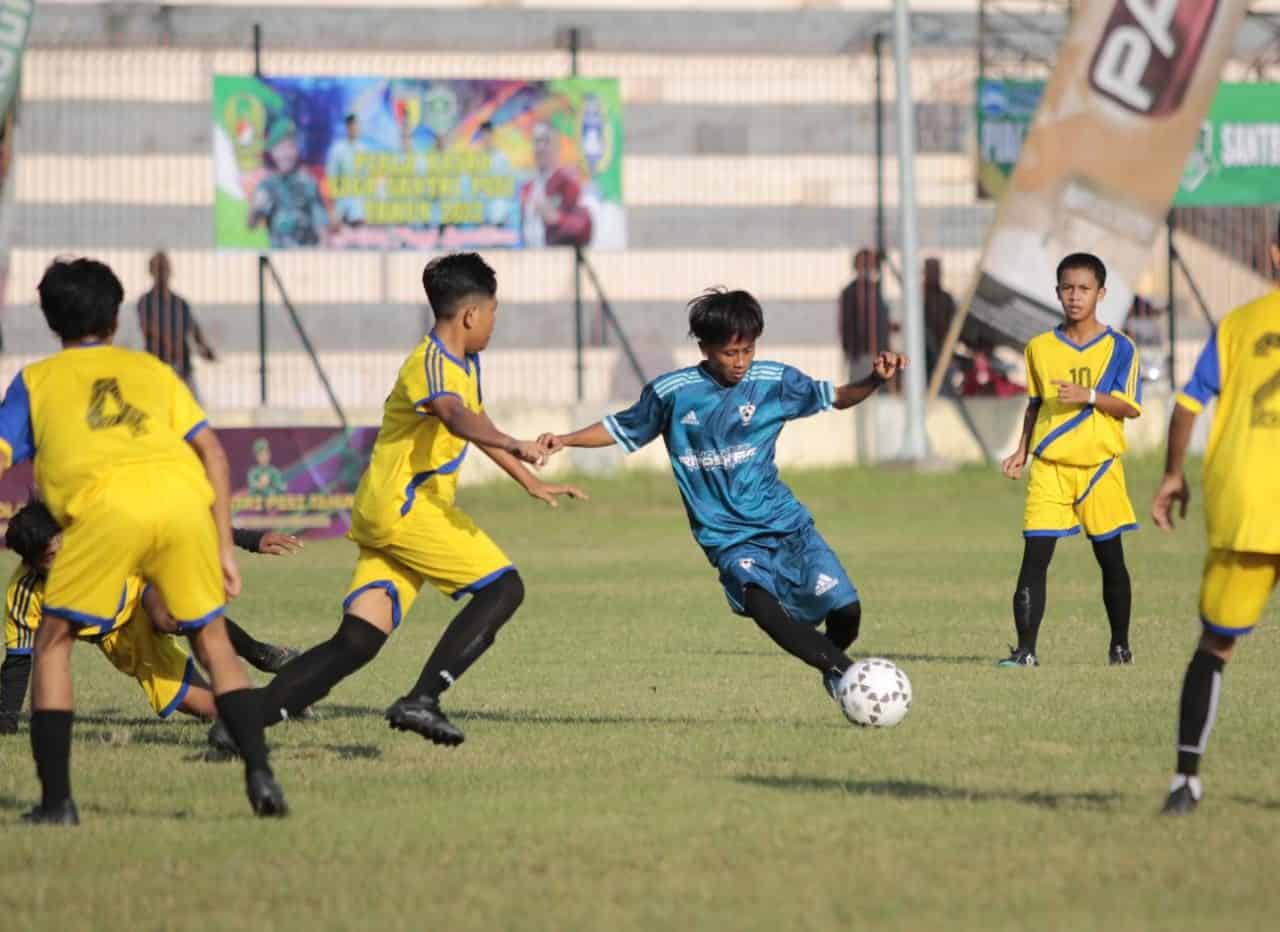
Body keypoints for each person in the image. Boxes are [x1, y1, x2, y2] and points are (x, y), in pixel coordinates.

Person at [243, 253, 584, 749]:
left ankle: (244, 722)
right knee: (503, 589)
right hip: (405, 508)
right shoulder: (428, 365)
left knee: (356, 642)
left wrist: (525, 479)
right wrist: (515, 443)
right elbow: (453, 415)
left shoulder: (465, 362)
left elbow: (475, 422)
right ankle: (422, 699)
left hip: (391, 510)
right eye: (493, 312)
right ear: (471, 315)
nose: (494, 323)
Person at [0, 257, 286, 824]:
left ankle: (57, 803)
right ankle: (260, 772)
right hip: (182, 504)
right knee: (214, 641)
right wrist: (225, 545)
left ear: (52, 322)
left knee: (53, 640)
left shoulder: (35, 381)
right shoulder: (154, 371)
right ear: (115, 315)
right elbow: (213, 453)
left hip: (105, 513)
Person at [539, 288, 907, 702]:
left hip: (785, 523)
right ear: (704, 347)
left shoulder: (774, 382)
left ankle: (834, 662)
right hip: (727, 537)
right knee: (763, 608)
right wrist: (565, 440)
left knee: (847, 612)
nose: (740, 362)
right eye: (730, 352)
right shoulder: (673, 393)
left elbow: (837, 398)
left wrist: (875, 379)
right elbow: (621, 427)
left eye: (747, 350)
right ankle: (846, 674)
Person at [1150, 218, 1280, 815]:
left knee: (1214, 647)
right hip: (1251, 508)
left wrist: (1174, 473)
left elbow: (1186, 403)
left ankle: (1185, 784)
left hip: (1247, 507)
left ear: (1273, 255)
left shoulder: (1237, 326)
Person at [0, 500, 303, 733]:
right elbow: (18, 660)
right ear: (31, 563)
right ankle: (293, 693)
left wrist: (248, 539)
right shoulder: (24, 595)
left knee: (170, 615)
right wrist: (7, 722)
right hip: (121, 640)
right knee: (220, 711)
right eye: (52, 558)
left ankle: (261, 654)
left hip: (145, 589)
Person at [998, 253, 1143, 668]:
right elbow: (1033, 405)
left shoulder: (1120, 348)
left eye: (1083, 289)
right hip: (1051, 468)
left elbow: (1130, 408)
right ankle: (1025, 651)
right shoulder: (1039, 348)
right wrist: (1022, 450)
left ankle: (1119, 646)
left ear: (1101, 294)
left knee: (1110, 558)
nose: (1074, 297)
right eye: (1067, 288)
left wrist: (1091, 396)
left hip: (1099, 468)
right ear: (1057, 292)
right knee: (1034, 556)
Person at [137, 252, 216, 400]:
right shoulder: (145, 302)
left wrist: (205, 348)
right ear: (151, 271)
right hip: (157, 368)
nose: (162, 272)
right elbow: (148, 329)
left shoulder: (180, 303)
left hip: (183, 368)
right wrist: (170, 345)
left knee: (194, 413)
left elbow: (194, 328)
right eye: (158, 268)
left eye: (165, 268)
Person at [249, 117, 328, 248]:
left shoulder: (308, 183)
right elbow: (251, 224)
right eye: (280, 148)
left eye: (290, 147)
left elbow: (322, 232)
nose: (285, 154)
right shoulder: (267, 186)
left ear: (296, 150)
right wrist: (256, 209)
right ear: (273, 152)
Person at [520, 122, 592, 248]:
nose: (540, 148)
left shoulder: (569, 182)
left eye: (546, 142)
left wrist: (558, 219)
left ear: (557, 146)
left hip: (557, 260)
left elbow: (584, 227)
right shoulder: (527, 187)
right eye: (537, 142)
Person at [838, 248, 890, 381]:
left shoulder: (876, 290)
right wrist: (850, 350)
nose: (867, 268)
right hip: (860, 353)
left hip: (879, 351)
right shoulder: (850, 292)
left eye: (869, 264)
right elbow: (846, 324)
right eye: (863, 264)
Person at [325, 112, 366, 228]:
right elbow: (331, 177)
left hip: (359, 206)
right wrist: (332, 208)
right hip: (341, 204)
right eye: (352, 126)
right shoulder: (338, 150)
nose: (355, 129)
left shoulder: (363, 150)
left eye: (357, 126)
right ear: (347, 127)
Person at [923, 257, 958, 382]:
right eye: (930, 271)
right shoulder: (918, 299)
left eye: (936, 271)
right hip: (923, 353)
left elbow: (954, 324)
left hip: (942, 351)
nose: (934, 275)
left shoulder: (946, 298)